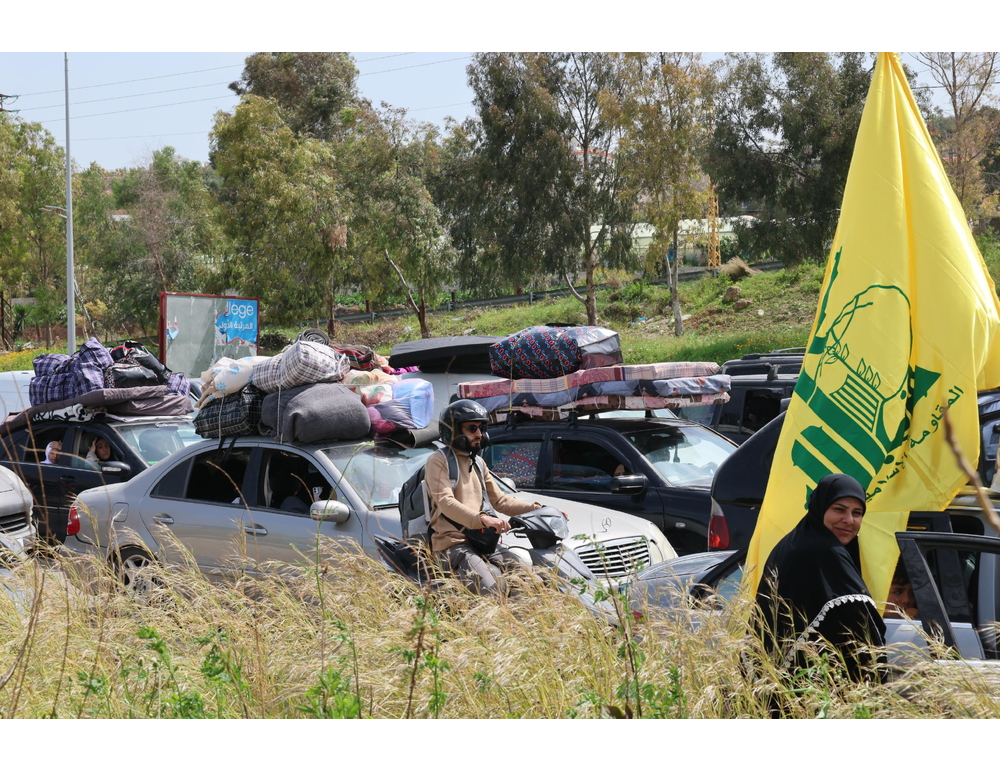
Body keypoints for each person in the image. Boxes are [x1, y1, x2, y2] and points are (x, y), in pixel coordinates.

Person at [754, 473, 886, 685]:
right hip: (810, 686)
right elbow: (860, 624)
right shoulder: (824, 552)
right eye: (839, 509)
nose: (849, 520)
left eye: (857, 513)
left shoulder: (795, 541)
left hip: (777, 681)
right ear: (820, 507)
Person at [425, 400, 544, 596]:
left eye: (482, 428)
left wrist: (537, 509)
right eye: (472, 428)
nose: (479, 434)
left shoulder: (478, 462)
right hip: (454, 544)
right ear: (453, 430)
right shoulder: (438, 461)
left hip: (482, 540)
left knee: (532, 581)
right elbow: (446, 502)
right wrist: (483, 519)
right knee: (490, 588)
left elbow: (501, 501)